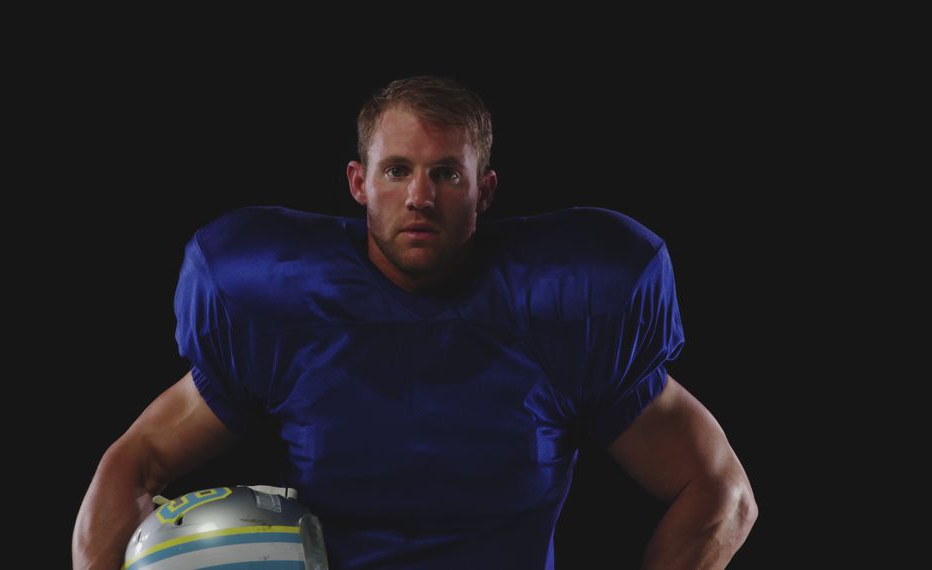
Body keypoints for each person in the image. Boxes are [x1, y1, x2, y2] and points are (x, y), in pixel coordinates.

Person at [73, 75, 758, 569]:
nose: (420, 197)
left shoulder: (563, 307)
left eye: (446, 174)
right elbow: (137, 460)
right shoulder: (281, 301)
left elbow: (721, 494)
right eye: (397, 170)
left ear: (484, 190)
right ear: (358, 183)